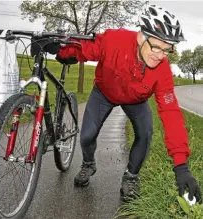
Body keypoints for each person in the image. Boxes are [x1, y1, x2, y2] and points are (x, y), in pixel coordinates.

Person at [56, 4, 202, 203]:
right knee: (87, 135)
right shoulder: (115, 40)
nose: (160, 55)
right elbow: (87, 47)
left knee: (145, 133)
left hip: (136, 100)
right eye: (156, 46)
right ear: (141, 37)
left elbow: (171, 114)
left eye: (167, 50)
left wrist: (181, 165)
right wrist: (64, 51)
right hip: (104, 93)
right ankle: (88, 164)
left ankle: (131, 176)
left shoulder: (162, 71)